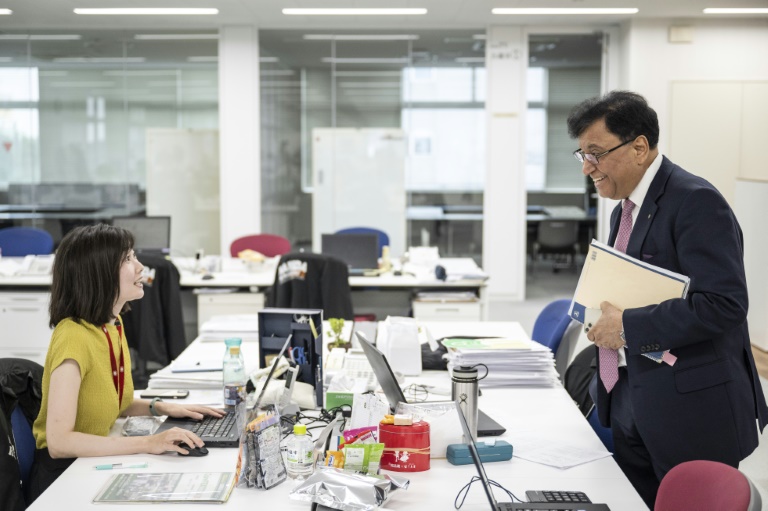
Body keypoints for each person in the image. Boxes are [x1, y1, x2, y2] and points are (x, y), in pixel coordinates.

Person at [566, 90, 768, 509]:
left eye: (596, 154)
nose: (587, 167)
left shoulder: (695, 201)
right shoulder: (623, 208)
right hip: (630, 394)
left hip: (689, 408)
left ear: (639, 147)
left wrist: (626, 326)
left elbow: (724, 303)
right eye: (583, 155)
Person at [27, 224, 224, 503]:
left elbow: (112, 402)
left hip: (91, 462)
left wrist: (161, 407)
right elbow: (59, 443)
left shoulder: (113, 324)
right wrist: (149, 443)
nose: (141, 267)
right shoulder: (73, 337)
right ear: (100, 272)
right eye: (129, 259)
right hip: (63, 478)